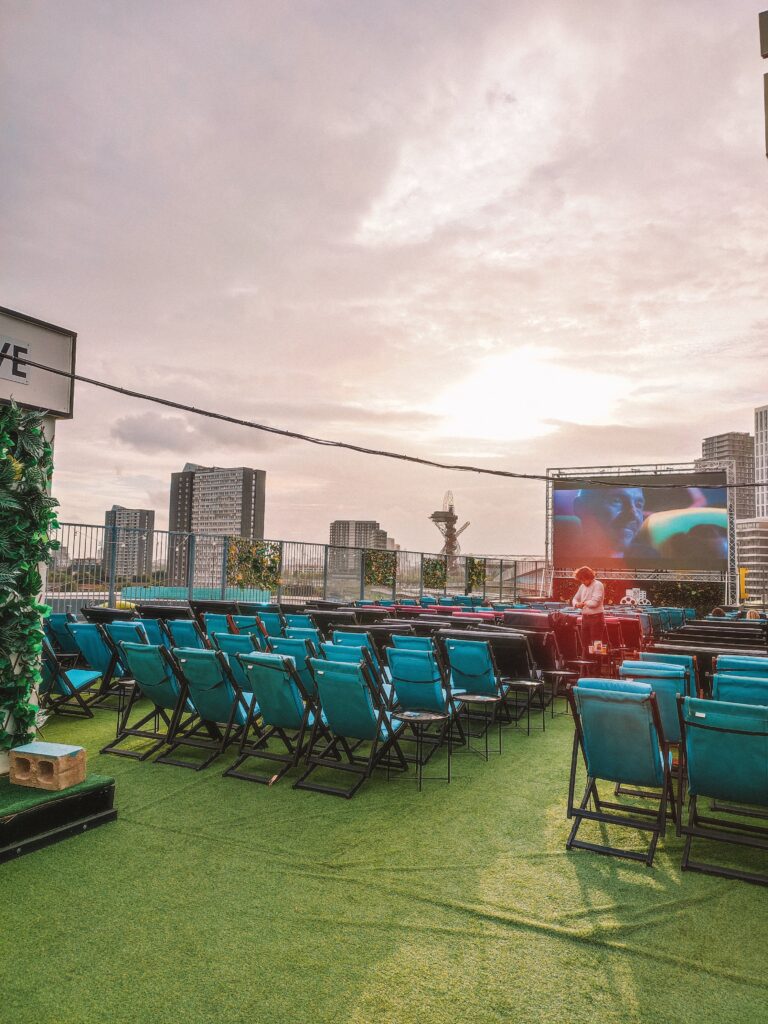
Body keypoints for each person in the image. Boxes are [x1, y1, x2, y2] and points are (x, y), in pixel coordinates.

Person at [571, 487, 646, 560]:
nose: (634, 515)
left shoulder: (648, 556)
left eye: (638, 505)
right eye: (616, 500)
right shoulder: (563, 555)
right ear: (580, 507)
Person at [571, 565, 605, 651]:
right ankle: (587, 663)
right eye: (581, 580)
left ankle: (597, 664)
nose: (582, 582)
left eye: (584, 579)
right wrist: (576, 604)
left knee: (597, 645)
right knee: (585, 644)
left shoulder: (598, 585)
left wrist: (583, 603)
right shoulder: (582, 586)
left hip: (596, 618)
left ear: (589, 577)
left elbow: (595, 603)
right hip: (585, 618)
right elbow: (574, 599)